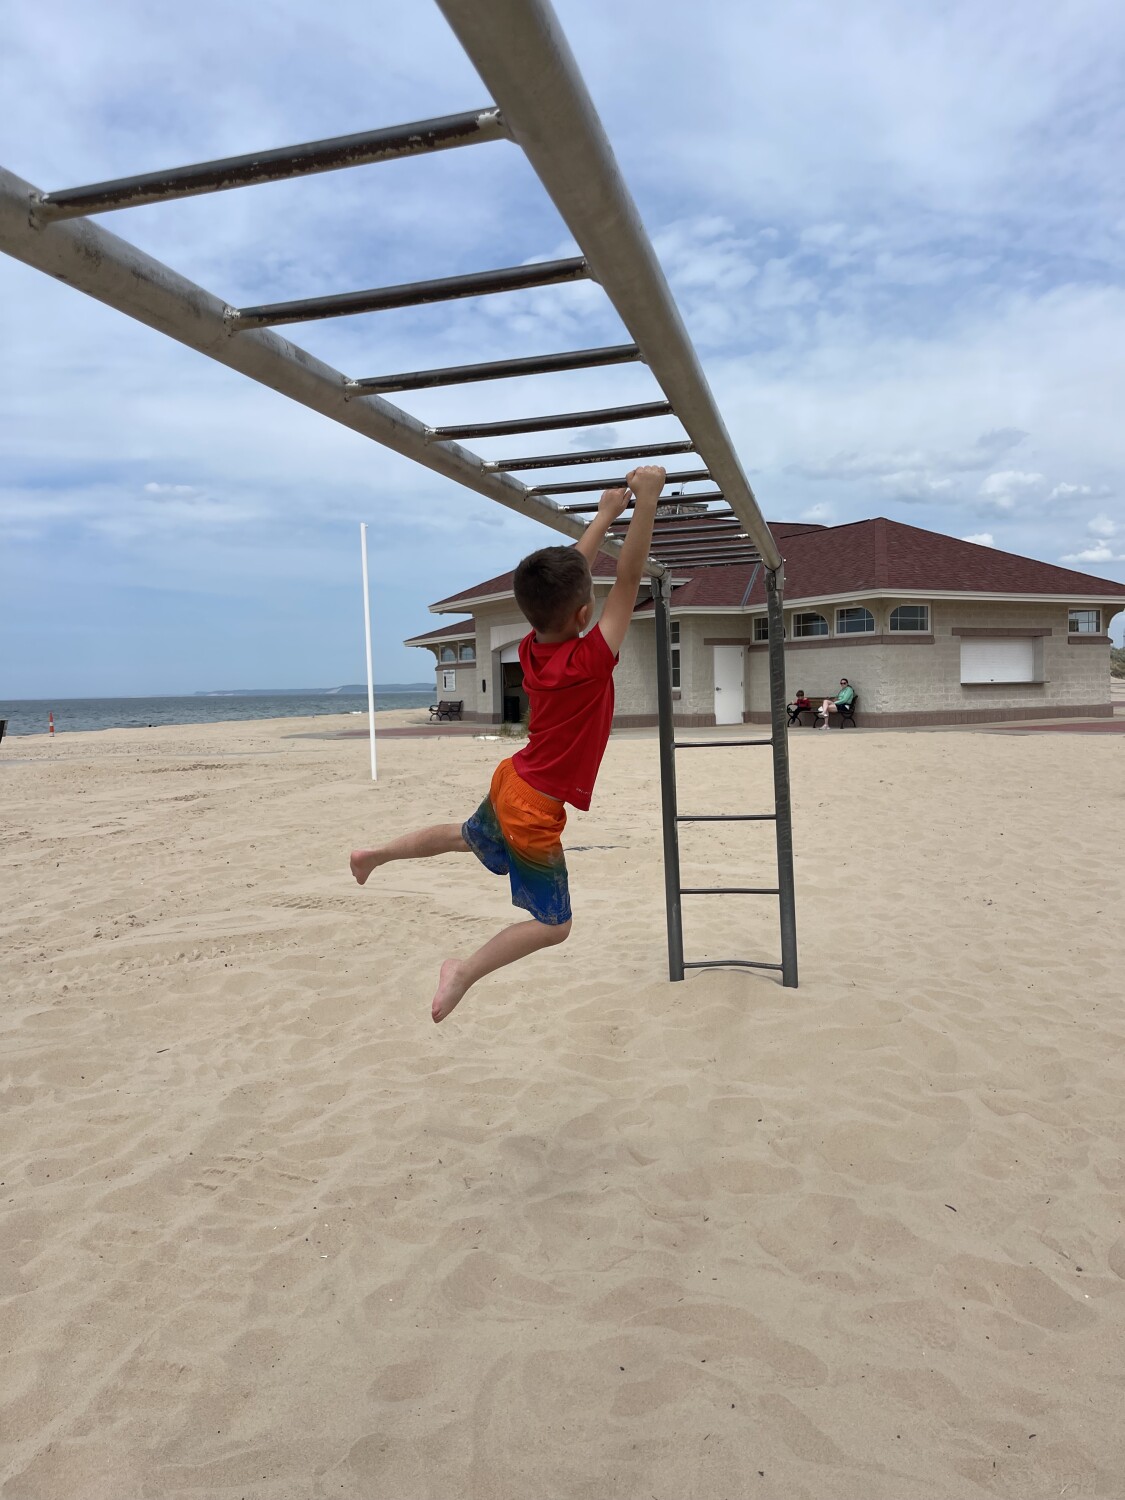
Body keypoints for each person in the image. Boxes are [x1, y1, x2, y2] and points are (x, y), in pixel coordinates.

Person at [349, 465, 667, 1022]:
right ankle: (463, 971)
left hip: (513, 779)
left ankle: (374, 854)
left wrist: (606, 516)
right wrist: (648, 501)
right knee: (554, 925)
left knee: (463, 837)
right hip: (533, 805)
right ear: (584, 615)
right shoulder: (589, 661)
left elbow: (581, 580)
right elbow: (627, 578)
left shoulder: (531, 648)